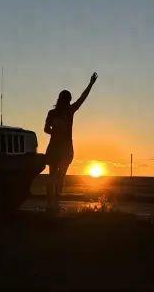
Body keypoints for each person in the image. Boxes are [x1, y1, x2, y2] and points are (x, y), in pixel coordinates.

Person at [43, 72, 97, 212]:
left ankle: (53, 203)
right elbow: (46, 129)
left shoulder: (64, 112)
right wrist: (91, 84)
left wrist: (90, 84)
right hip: (59, 148)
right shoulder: (60, 112)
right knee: (56, 176)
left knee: (56, 176)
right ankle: (52, 203)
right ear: (65, 100)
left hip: (62, 148)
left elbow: (82, 98)